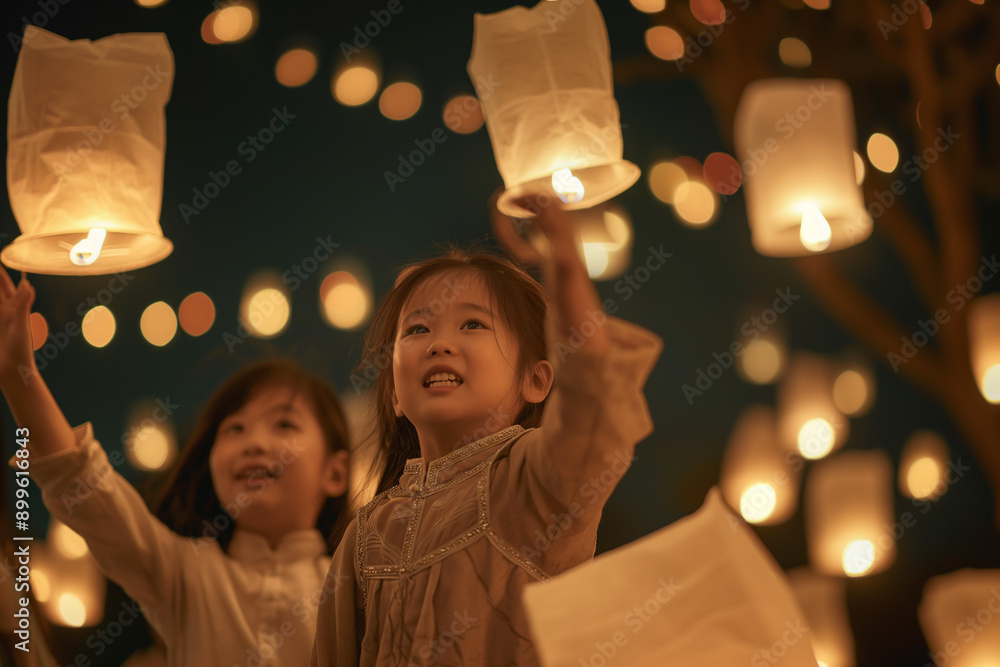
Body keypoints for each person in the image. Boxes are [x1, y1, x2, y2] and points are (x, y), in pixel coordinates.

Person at [310, 194, 663, 666]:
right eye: (416, 330)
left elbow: (591, 402)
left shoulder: (531, 486)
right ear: (395, 393)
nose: (440, 344)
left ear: (536, 379)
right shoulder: (366, 534)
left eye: (472, 323)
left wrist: (565, 267)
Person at [0, 270, 351, 667]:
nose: (254, 442)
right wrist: (17, 376)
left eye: (284, 424)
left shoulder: (357, 587)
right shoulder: (183, 575)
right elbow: (84, 487)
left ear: (335, 472)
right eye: (234, 428)